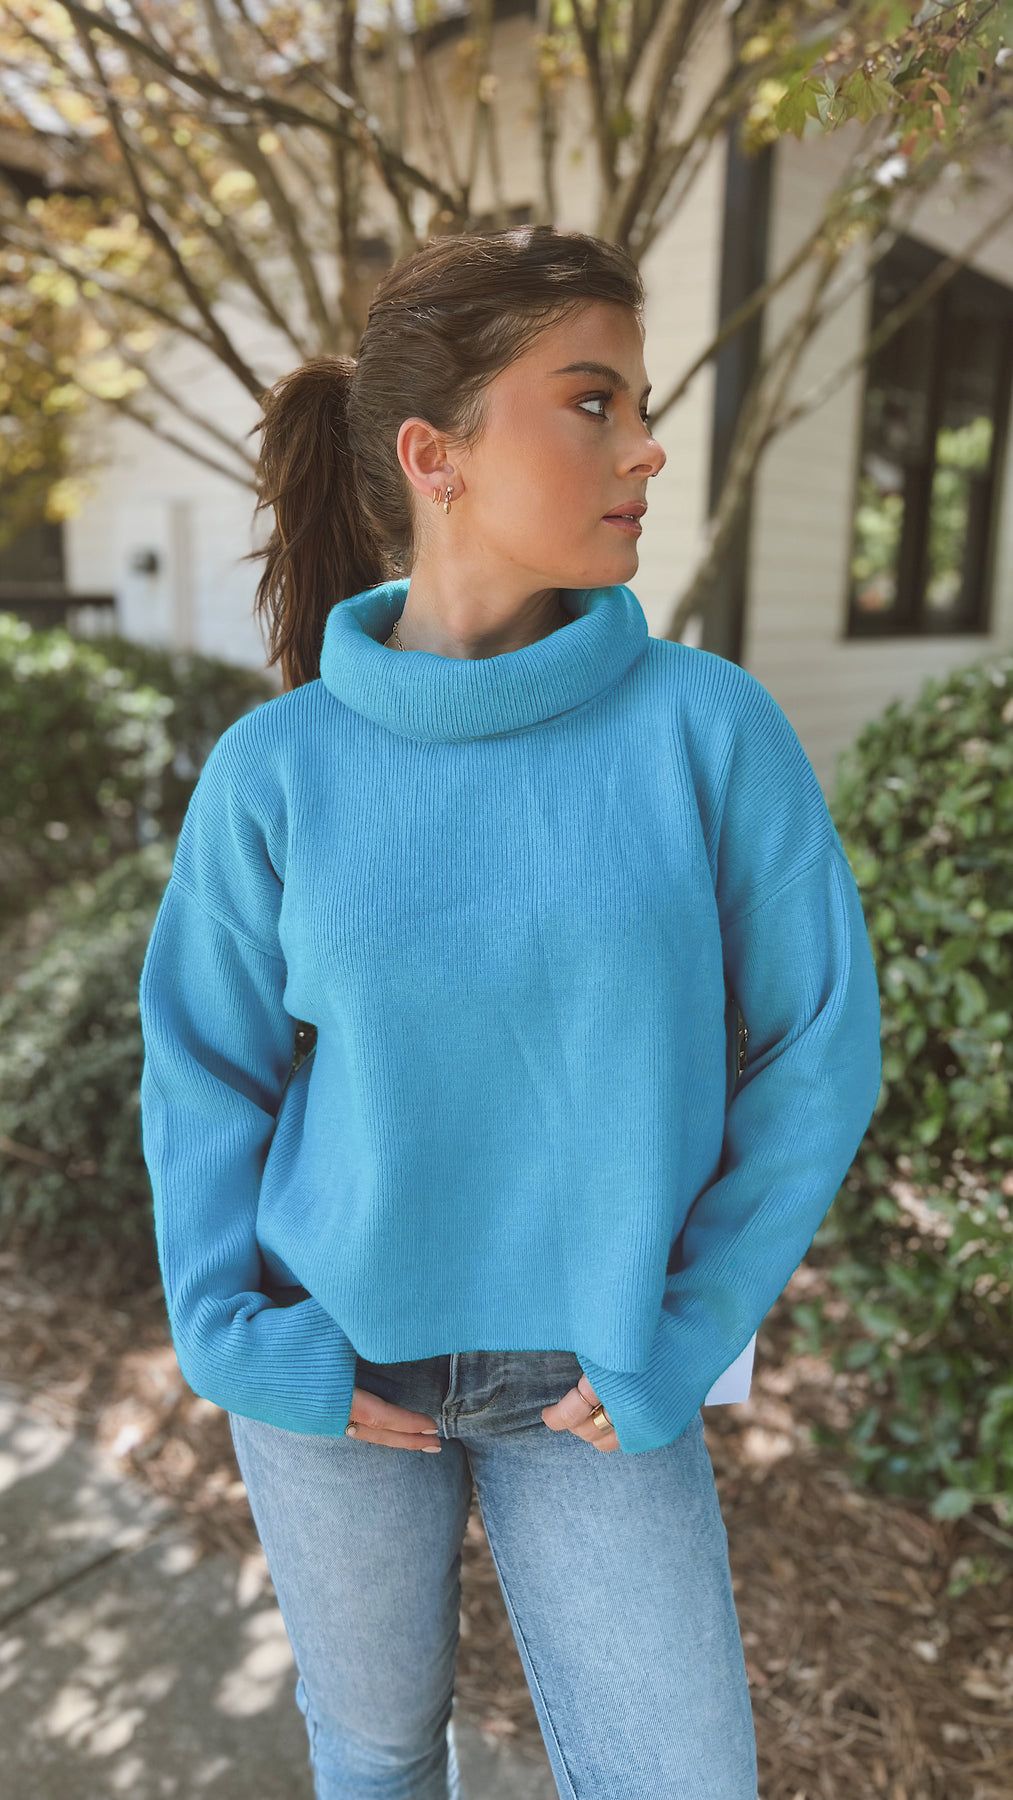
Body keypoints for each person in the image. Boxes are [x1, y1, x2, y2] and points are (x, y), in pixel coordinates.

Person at [137, 224, 883, 1800]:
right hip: (335, 1364)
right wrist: (229, 1335)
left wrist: (691, 1324)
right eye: (592, 402)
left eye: (638, 406)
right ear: (438, 455)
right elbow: (202, 1067)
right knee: (375, 1758)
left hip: (598, 1377)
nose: (645, 446)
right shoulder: (275, 772)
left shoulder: (706, 731)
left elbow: (818, 1050)